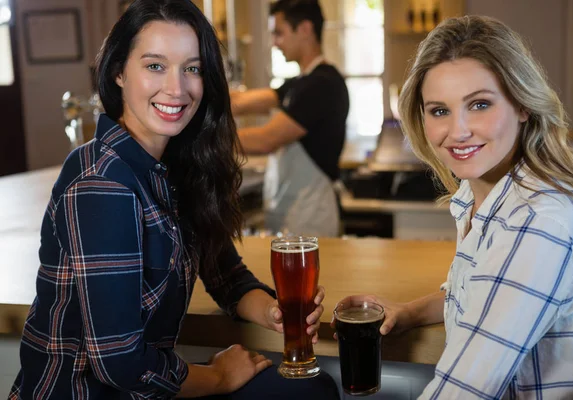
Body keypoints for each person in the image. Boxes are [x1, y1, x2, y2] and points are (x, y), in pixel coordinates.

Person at [8, 1, 338, 399]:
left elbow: (226, 276)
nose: (177, 88)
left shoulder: (177, 168)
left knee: (311, 387)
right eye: (155, 66)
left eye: (192, 68)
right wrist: (217, 376)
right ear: (118, 72)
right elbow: (119, 362)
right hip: (85, 393)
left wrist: (275, 312)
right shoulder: (102, 183)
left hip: (143, 390)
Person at [334, 15, 573, 399]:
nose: (457, 131)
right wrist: (410, 312)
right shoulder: (485, 197)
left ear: (522, 104)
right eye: (439, 110)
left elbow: (466, 389)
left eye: (479, 104)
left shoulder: (540, 220)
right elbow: (490, 291)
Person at [230, 0, 349, 237]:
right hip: (293, 214)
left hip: (311, 216)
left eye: (279, 33)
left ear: (304, 29)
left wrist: (203, 140)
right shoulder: (300, 84)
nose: (274, 43)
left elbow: (266, 139)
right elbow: (240, 102)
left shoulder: (322, 84)